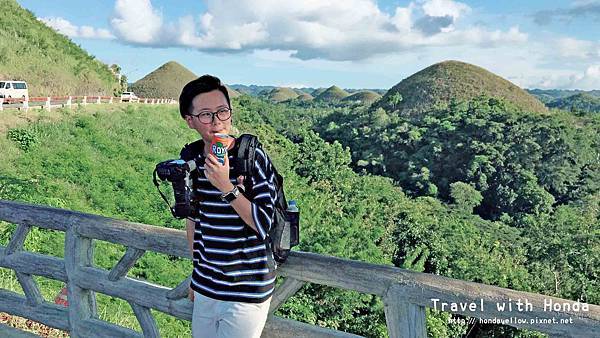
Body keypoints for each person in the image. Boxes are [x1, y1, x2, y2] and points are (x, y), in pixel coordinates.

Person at [178, 75, 277, 338]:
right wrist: (197, 276)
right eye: (207, 114)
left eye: (223, 111)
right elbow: (193, 220)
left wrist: (226, 186)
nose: (218, 121)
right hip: (206, 286)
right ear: (190, 121)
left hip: (245, 290)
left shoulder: (251, 157)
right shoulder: (191, 160)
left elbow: (263, 223)